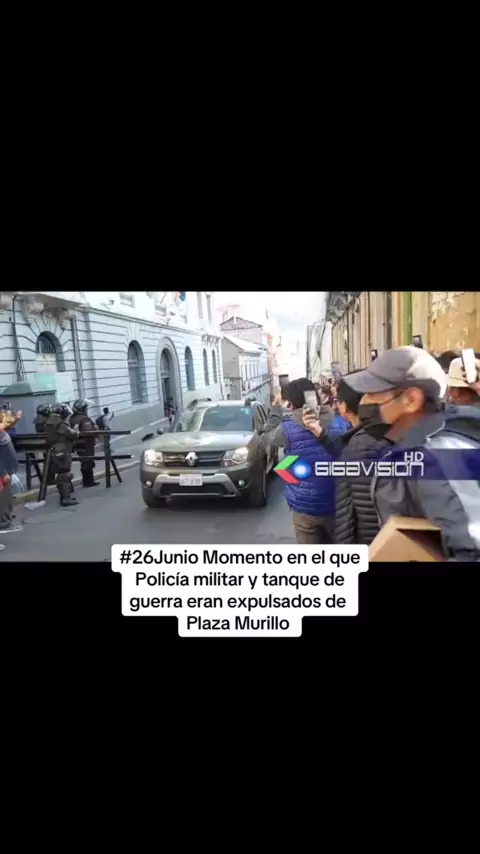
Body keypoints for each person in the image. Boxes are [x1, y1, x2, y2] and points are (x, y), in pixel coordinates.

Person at [315, 346, 480, 561]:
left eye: (372, 393)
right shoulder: (412, 446)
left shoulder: (436, 460)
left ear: (411, 399)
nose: (363, 402)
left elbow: (473, 550)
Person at [304, 372, 395, 545]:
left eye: (337, 400)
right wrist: (320, 432)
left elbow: (353, 513)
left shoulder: (361, 446)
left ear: (344, 406)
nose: (335, 405)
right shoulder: (377, 434)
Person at [263, 378, 335, 544]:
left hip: (305, 509)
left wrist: (276, 408)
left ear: (292, 404)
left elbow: (267, 437)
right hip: (337, 506)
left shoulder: (287, 428)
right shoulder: (340, 421)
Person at [45, 404, 79, 507]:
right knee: (64, 475)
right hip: (63, 450)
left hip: (55, 450)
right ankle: (65, 499)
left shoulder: (49, 423)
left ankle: (65, 497)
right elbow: (73, 435)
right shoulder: (61, 424)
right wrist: (76, 429)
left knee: (61, 474)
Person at [0, 412, 24, 548]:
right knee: (4, 497)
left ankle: (6, 519)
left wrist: (16, 419)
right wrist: (3, 472)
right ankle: (3, 522)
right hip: (3, 472)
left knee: (7, 495)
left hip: (6, 470)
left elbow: (7, 426)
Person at [70, 399, 99, 487]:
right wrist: (96, 429)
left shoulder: (72, 418)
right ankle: (88, 481)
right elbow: (88, 432)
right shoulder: (84, 418)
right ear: (82, 408)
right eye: (86, 408)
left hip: (78, 443)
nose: (87, 409)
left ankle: (86, 480)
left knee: (84, 461)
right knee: (88, 461)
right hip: (87, 443)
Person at [34, 403, 57, 485]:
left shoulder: (38, 421)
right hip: (49, 445)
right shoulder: (47, 421)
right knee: (52, 458)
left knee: (48, 457)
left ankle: (49, 478)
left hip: (43, 444)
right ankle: (51, 478)